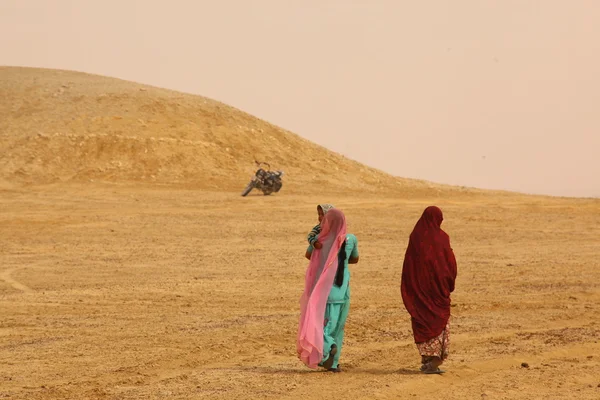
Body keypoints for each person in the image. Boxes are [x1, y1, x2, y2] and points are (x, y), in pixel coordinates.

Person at [297, 209, 359, 373]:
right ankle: (333, 363)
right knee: (338, 326)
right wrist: (341, 261)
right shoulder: (350, 239)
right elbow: (355, 258)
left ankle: (327, 349)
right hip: (342, 289)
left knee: (322, 325)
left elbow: (308, 255)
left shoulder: (319, 240)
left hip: (323, 291)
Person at [401, 206, 457, 374]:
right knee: (437, 319)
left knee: (422, 319)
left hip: (418, 289)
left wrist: (411, 286)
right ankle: (433, 361)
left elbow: (409, 264)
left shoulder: (416, 237)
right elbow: (449, 263)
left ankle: (427, 357)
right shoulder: (442, 238)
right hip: (437, 289)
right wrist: (448, 282)